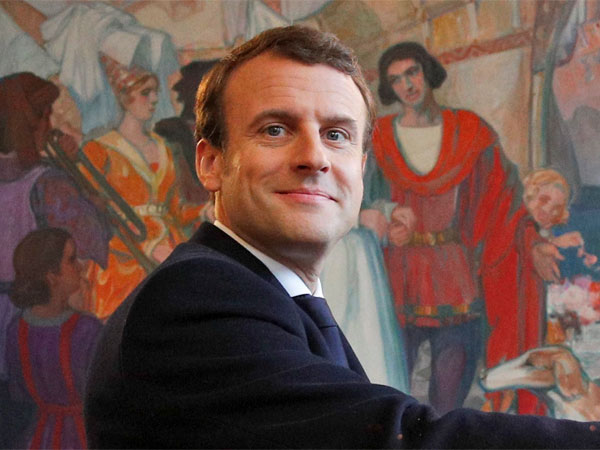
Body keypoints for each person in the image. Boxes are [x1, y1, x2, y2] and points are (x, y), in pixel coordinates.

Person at [84, 26, 600, 448]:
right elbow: (392, 441)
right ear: (211, 163)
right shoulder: (196, 299)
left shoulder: (270, 293)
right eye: (275, 129)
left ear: (362, 167)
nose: (314, 158)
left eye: (337, 135)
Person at [365, 42, 558, 415]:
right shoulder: (379, 138)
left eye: (412, 72)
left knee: (447, 403)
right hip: (397, 280)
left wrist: (531, 243)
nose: (407, 85)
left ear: (427, 72)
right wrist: (383, 217)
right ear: (389, 88)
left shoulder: (469, 131)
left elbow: (505, 200)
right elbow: (358, 199)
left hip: (455, 280)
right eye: (396, 79)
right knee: (389, 392)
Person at [0, 72, 109, 447]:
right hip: (37, 325)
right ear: (33, 121)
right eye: (46, 114)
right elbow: (92, 242)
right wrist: (90, 196)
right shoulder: (50, 182)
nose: (51, 124)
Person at [80, 56, 202, 319]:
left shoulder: (164, 148)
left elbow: (175, 211)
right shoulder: (99, 150)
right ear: (125, 98)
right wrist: (149, 246)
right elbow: (94, 215)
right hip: (124, 255)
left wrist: (203, 211)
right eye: (146, 93)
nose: (154, 99)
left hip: (169, 249)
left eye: (156, 92)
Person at [6, 228, 103, 449]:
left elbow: (18, 393)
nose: (81, 266)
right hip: (83, 437)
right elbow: (104, 392)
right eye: (71, 260)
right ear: (52, 277)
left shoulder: (16, 330)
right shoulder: (86, 329)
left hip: (39, 438)